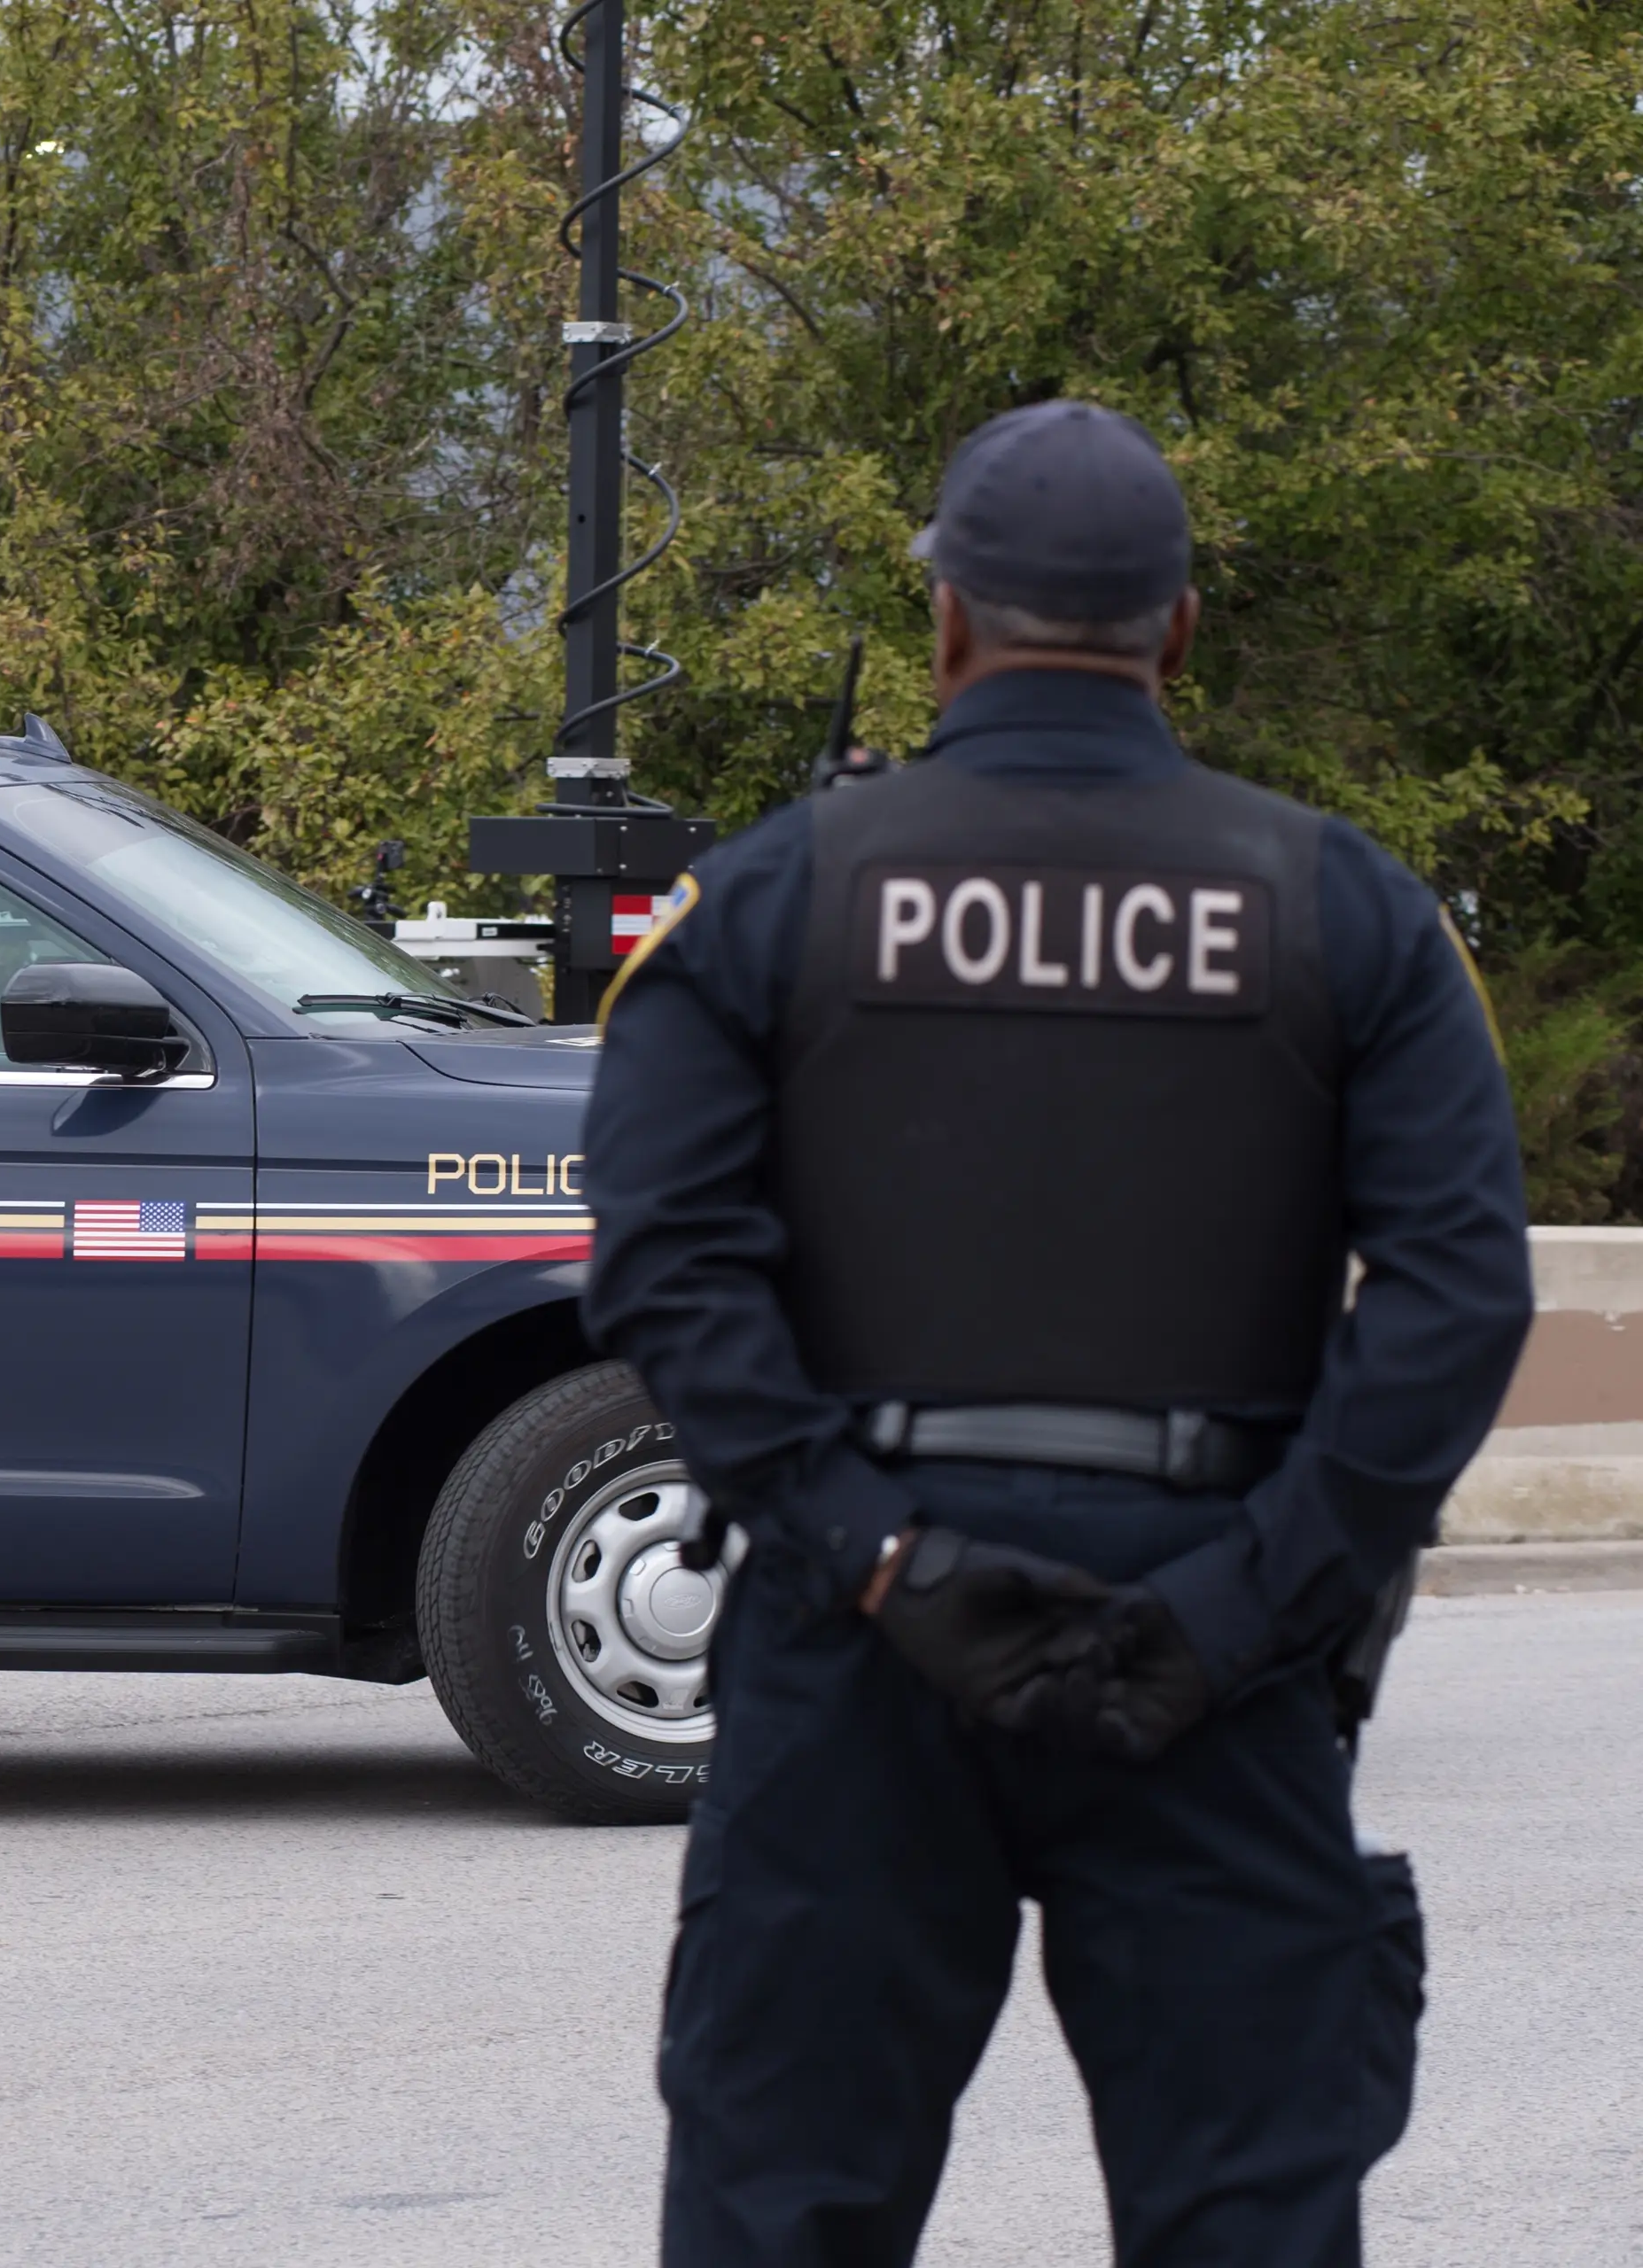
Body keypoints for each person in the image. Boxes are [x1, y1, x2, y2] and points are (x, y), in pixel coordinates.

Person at [581, 399, 1533, 2268]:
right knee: (1246, 2212)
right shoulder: (1348, 907)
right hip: (1215, 1650)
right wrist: (1255, 1598)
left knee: (790, 2203)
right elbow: (1457, 1290)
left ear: (944, 625)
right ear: (1180, 633)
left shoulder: (773, 895)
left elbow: (667, 1253)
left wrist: (865, 1549)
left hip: (859, 1649)